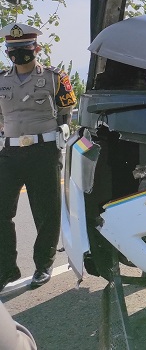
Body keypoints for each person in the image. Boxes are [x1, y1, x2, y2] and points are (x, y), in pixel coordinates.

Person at [0, 23, 77, 291]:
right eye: (13, 50)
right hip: (9, 152)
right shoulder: (1, 80)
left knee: (46, 212)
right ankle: (6, 270)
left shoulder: (56, 77)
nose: (19, 54)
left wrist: (62, 136)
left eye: (24, 49)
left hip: (43, 151)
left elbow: (67, 109)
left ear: (36, 49)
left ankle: (43, 265)